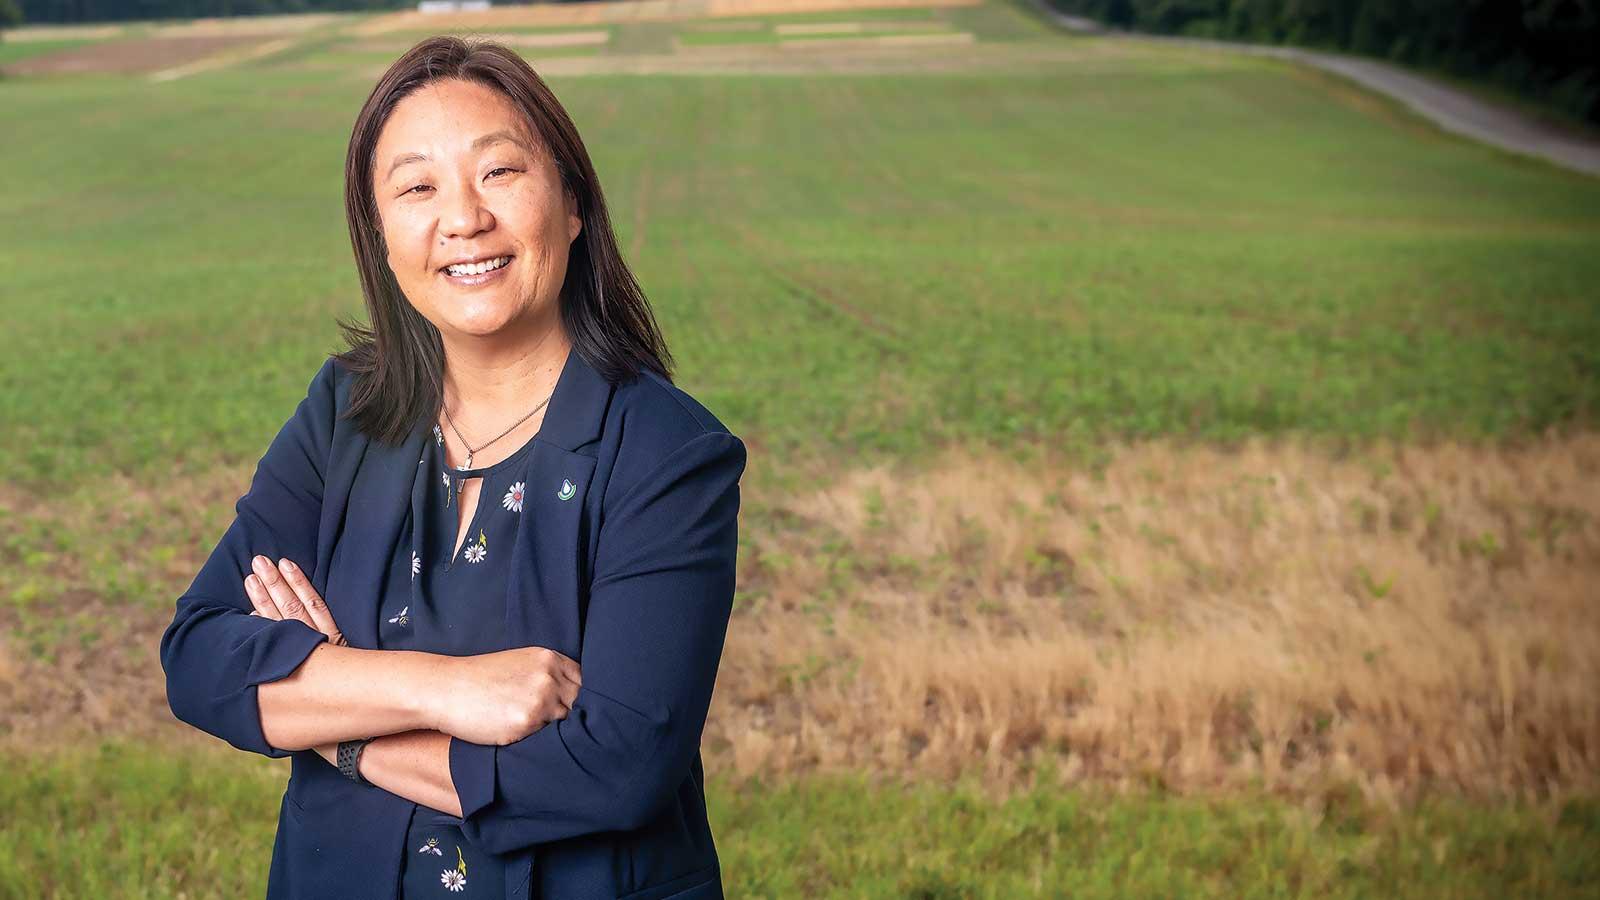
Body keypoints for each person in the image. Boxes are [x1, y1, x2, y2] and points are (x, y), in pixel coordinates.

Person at [158, 35, 745, 900]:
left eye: (499, 172)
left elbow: (615, 771)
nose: (462, 217)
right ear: (382, 235)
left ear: (573, 204)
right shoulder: (346, 411)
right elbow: (202, 655)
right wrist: (452, 690)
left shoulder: (666, 455)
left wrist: (335, 722)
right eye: (416, 187)